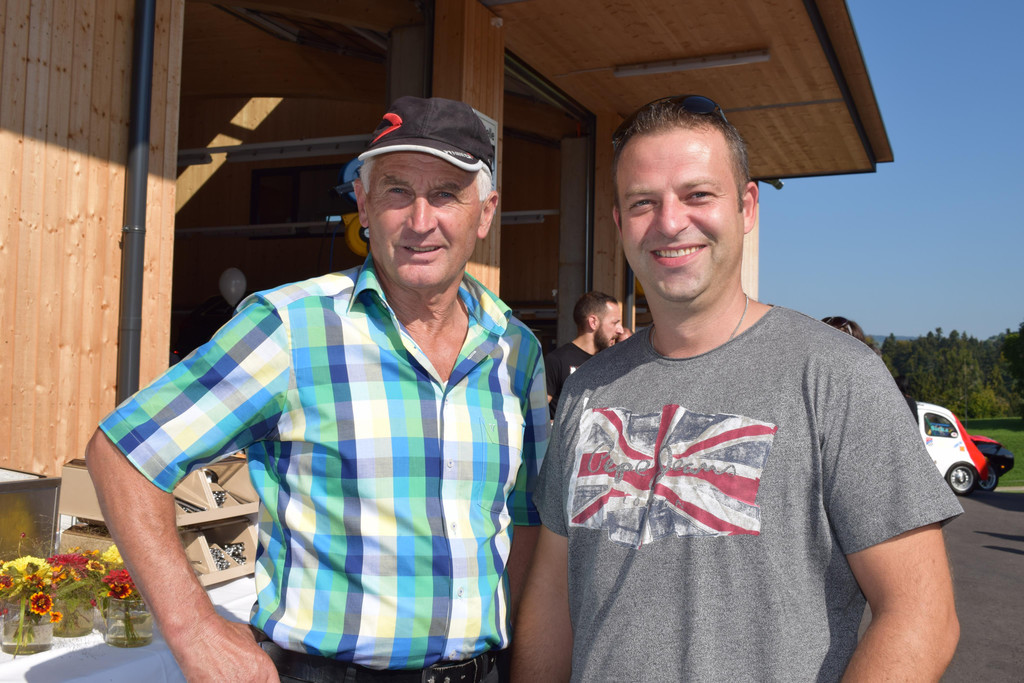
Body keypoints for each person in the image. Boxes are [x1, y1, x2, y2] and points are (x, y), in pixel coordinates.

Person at [85, 96, 549, 683]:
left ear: (484, 213)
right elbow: (124, 455)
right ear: (363, 204)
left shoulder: (515, 351)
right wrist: (195, 631)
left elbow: (525, 519)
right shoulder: (289, 328)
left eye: (446, 194)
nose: (420, 220)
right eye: (397, 191)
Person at [513, 94, 962, 681]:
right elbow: (552, 597)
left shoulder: (835, 375)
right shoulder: (589, 389)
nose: (670, 222)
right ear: (619, 224)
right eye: (643, 202)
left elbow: (921, 615)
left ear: (747, 206)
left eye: (698, 194)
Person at [545, 291, 624, 418]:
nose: (620, 330)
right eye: (615, 323)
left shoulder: (612, 362)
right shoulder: (556, 361)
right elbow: (537, 414)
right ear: (593, 322)